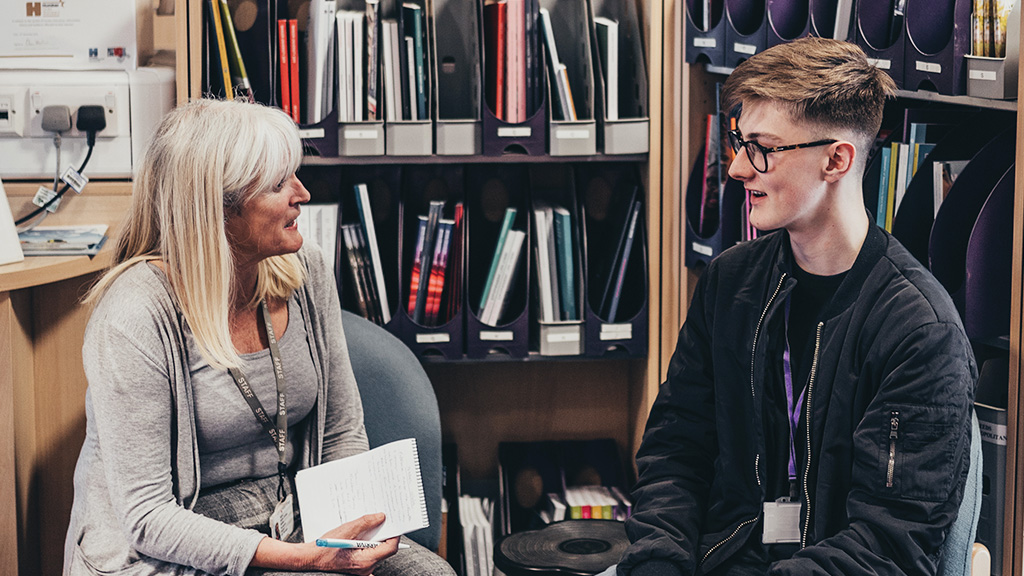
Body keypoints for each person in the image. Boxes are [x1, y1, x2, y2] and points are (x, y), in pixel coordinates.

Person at [616, 37, 977, 576]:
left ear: (837, 159)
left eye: (763, 147)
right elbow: (675, 453)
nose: (738, 167)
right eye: (740, 141)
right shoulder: (729, 283)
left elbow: (888, 542)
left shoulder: (922, 333)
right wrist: (659, 563)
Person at [63, 99, 455, 576]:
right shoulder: (135, 313)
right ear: (218, 209)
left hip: (291, 514)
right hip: (176, 540)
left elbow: (340, 431)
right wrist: (309, 561)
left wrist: (351, 531)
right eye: (277, 184)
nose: (303, 193)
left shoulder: (304, 268)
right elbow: (148, 519)